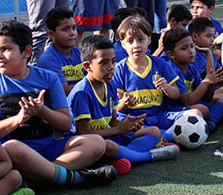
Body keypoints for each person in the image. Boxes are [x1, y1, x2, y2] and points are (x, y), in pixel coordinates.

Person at [0, 21, 117, 187]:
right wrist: (18, 119)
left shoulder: (48, 78)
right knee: (11, 148)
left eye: (6, 49)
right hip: (15, 154)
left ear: (27, 52)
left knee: (96, 143)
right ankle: (75, 178)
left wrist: (42, 111)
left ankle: (42, 176)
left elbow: (66, 124)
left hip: (50, 148)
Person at [67, 35, 179, 172]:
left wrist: (128, 125)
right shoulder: (81, 93)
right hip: (91, 144)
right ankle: (147, 156)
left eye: (113, 61)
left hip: (110, 135)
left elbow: (112, 121)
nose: (111, 67)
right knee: (108, 146)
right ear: (87, 66)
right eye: (104, 63)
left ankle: (121, 157)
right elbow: (83, 133)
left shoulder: (109, 84)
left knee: (153, 131)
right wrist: (118, 130)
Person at [112, 16, 202, 141]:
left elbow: (176, 94)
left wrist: (167, 87)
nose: (136, 45)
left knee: (196, 113)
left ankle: (160, 138)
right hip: (134, 120)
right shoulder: (120, 69)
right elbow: (116, 108)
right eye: (130, 41)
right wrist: (124, 102)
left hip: (159, 117)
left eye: (141, 39)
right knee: (133, 130)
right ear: (123, 44)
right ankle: (162, 138)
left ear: (149, 40)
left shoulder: (160, 63)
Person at [162, 28, 223, 133]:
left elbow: (207, 97)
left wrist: (211, 83)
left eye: (192, 46)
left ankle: (211, 123)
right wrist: (206, 82)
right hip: (174, 109)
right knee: (202, 109)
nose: (191, 51)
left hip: (190, 105)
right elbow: (187, 101)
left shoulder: (191, 68)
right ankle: (206, 122)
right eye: (184, 48)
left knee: (221, 97)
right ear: (171, 54)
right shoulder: (171, 70)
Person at [35, 7, 84, 95]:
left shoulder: (79, 52)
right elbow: (64, 91)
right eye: (65, 29)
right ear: (52, 34)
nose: (72, 33)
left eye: (74, 28)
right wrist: (95, 81)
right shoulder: (47, 60)